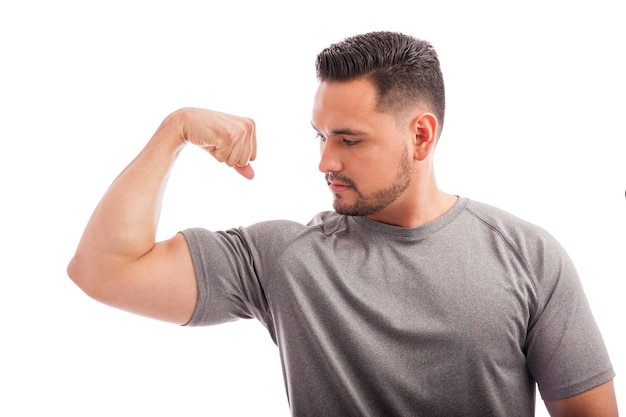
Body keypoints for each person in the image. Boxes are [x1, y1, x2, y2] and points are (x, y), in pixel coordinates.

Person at [67, 31, 618, 416]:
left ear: (421, 136)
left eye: (349, 139)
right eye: (320, 136)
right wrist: (175, 130)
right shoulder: (286, 256)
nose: (325, 161)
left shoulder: (528, 254)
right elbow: (103, 270)